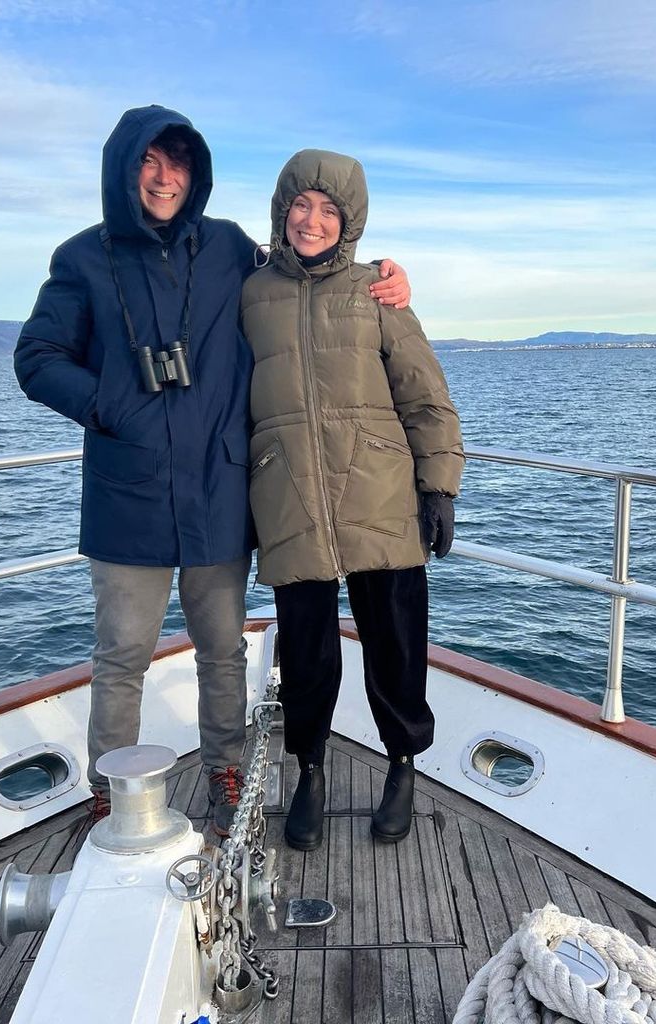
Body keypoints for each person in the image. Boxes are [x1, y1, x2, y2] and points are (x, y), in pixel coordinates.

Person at [14, 108, 410, 835]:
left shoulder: (229, 247)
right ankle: (113, 791)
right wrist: (111, 406)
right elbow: (35, 359)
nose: (164, 179)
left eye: (178, 164)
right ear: (124, 169)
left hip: (220, 492)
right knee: (123, 656)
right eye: (149, 163)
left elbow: (307, 270)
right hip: (125, 496)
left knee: (223, 652)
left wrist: (382, 274)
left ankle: (228, 776)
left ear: (196, 175)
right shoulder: (81, 259)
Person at [241, 150, 464, 850]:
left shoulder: (378, 293)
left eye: (329, 210)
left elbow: (426, 396)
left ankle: (402, 766)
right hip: (289, 491)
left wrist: (439, 487)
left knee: (395, 642)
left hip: (378, 487)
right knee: (305, 651)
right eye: (301, 206)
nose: (312, 220)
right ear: (282, 211)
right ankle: (310, 771)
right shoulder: (248, 293)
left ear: (350, 221)